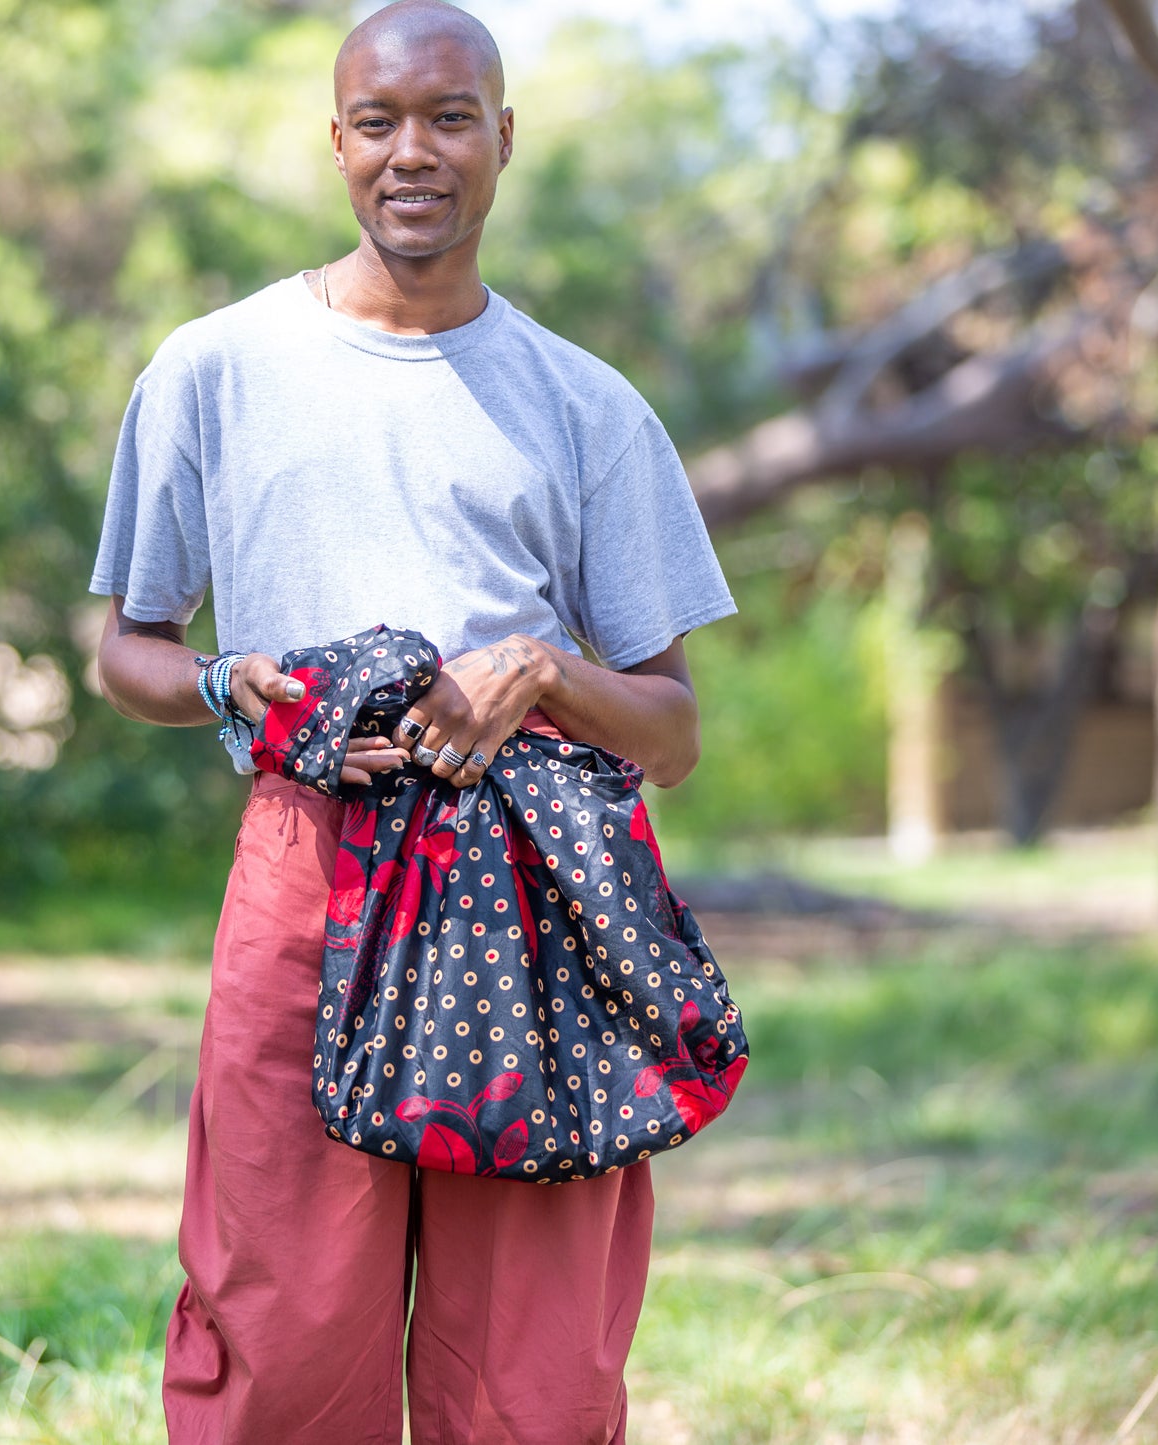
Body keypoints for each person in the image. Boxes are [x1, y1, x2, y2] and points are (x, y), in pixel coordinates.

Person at [89, 3, 735, 1440]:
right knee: (279, 1318)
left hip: (530, 889)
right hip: (306, 870)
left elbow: (673, 734)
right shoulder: (215, 368)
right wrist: (221, 682)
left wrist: (545, 673)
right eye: (377, 122)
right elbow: (124, 650)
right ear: (334, 143)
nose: (412, 154)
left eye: (449, 118)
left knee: (532, 1360)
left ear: (503, 138)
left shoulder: (590, 406)